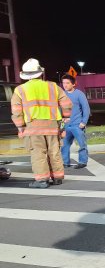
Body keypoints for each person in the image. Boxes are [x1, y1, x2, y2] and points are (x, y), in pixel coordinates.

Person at [11, 58, 72, 188]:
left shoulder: (20, 90)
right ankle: (57, 177)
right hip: (53, 125)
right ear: (40, 72)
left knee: (38, 153)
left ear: (25, 75)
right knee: (54, 151)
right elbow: (66, 103)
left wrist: (20, 126)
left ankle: (42, 180)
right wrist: (66, 116)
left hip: (32, 127)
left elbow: (16, 111)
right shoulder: (53, 86)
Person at [60, 74, 90, 169]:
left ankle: (82, 161)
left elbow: (86, 109)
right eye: (64, 83)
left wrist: (84, 122)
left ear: (73, 84)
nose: (65, 85)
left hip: (77, 124)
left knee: (82, 144)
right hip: (66, 125)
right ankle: (65, 162)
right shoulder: (62, 95)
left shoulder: (79, 94)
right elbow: (59, 109)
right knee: (64, 145)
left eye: (67, 83)